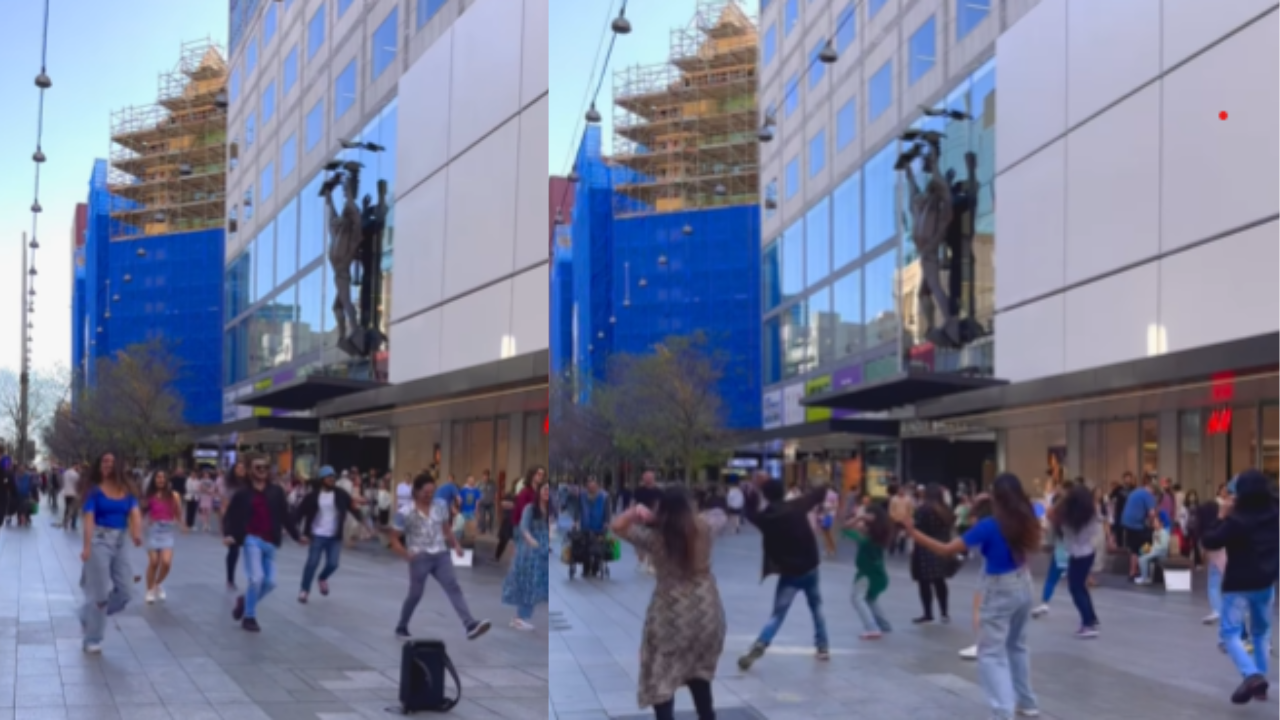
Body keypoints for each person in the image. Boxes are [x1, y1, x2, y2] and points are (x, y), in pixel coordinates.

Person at [905, 474, 1041, 719]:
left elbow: (947, 549)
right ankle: (1028, 702)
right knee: (1017, 646)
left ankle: (1003, 710)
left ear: (996, 497)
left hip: (1000, 588)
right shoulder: (1026, 517)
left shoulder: (989, 525)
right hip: (1023, 583)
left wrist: (913, 533)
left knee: (990, 653)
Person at [613, 485, 727, 720]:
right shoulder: (704, 528)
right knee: (699, 673)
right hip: (706, 610)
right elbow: (721, 514)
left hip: (670, 614)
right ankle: (707, 716)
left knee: (660, 678)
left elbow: (618, 526)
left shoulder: (656, 538)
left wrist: (638, 512)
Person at [1202, 469, 1278, 705]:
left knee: (1229, 634)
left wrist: (1221, 515)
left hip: (1238, 585)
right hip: (1265, 583)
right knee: (1261, 633)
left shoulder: (1237, 519)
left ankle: (1252, 675)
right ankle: (1260, 685)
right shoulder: (1275, 514)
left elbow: (1210, 540)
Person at [738, 480, 831, 669]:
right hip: (810, 567)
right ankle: (823, 647)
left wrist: (750, 498)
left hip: (789, 572)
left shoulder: (766, 517)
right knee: (816, 607)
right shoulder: (797, 505)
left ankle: (761, 643)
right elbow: (818, 494)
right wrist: (824, 482)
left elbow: (750, 514)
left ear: (766, 496)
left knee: (778, 614)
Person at [389, 473, 492, 641]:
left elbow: (445, 528)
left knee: (453, 587)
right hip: (419, 556)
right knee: (415, 594)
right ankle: (402, 625)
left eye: (432, 492)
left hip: (440, 555)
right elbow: (393, 537)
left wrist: (456, 545)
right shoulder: (405, 512)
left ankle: (470, 624)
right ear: (416, 491)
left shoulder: (440, 506)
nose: (429, 496)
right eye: (425, 492)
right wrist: (405, 554)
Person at [223, 456, 303, 633]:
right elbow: (230, 515)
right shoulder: (243, 493)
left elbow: (285, 516)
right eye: (258, 467)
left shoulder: (276, 492)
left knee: (271, 583)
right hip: (252, 540)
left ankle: (244, 601)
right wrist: (229, 535)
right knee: (256, 578)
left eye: (265, 467)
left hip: (271, 541)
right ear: (251, 470)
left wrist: (297, 536)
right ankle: (249, 617)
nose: (262, 471)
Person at [79, 452, 144, 653]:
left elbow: (135, 513)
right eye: (104, 461)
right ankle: (92, 638)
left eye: (111, 461)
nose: (107, 464)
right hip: (99, 539)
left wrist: (136, 533)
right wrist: (87, 546)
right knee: (99, 594)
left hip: (121, 540)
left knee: (126, 592)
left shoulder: (128, 491)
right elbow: (88, 518)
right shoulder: (94, 492)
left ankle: (89, 614)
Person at [296, 466, 362, 603]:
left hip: (334, 536)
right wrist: (291, 528)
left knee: (333, 564)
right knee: (312, 563)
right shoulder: (312, 496)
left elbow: (353, 508)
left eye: (333, 477)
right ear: (322, 480)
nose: (332, 479)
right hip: (316, 535)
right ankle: (304, 590)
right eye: (329, 477)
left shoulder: (340, 494)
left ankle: (322, 578)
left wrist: (366, 523)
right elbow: (299, 512)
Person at [1044, 483, 1101, 637]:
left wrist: (1060, 500)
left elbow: (1050, 515)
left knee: (1076, 589)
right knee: (1080, 587)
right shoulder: (1089, 514)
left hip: (1077, 554)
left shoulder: (1068, 516)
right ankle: (1091, 618)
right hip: (1088, 552)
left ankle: (1088, 624)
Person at [502, 481, 551, 630]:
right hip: (530, 551)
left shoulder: (549, 510)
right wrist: (531, 541)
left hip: (543, 550)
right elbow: (523, 527)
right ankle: (520, 617)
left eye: (549, 490)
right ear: (539, 491)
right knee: (529, 583)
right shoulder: (530, 508)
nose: (546, 492)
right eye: (544, 489)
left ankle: (521, 616)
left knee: (539, 585)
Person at [843, 503, 893, 639]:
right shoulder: (880, 534)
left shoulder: (866, 538)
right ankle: (883, 625)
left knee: (857, 598)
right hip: (878, 575)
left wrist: (859, 518)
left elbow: (845, 528)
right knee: (870, 599)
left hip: (866, 574)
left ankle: (872, 627)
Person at [142, 470, 185, 604]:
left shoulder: (174, 495)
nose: (160, 480)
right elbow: (142, 512)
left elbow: (178, 513)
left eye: (163, 477)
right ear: (154, 480)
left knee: (166, 562)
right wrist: (139, 527)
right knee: (154, 562)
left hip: (167, 530)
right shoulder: (149, 496)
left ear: (167, 480)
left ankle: (156, 584)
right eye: (158, 477)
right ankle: (149, 591)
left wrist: (182, 525)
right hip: (153, 529)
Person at [1119, 474, 1157, 579]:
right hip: (1136, 525)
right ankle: (1142, 568)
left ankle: (1132, 571)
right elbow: (1152, 514)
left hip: (1126, 523)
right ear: (1152, 489)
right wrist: (1153, 524)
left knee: (1133, 548)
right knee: (1148, 543)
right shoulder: (1148, 495)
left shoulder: (1135, 491)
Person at [575, 476, 611, 578]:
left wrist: (607, 522)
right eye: (589, 486)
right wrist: (576, 520)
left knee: (597, 548)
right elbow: (578, 509)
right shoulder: (582, 495)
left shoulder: (604, 496)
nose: (591, 488)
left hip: (599, 526)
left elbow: (607, 511)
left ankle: (595, 567)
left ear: (597, 486)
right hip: (586, 525)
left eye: (593, 486)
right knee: (585, 547)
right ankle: (586, 568)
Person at [220, 462, 249, 589]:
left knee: (252, 549)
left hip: (248, 519)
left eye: (243, 467)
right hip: (233, 519)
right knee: (234, 550)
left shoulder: (249, 484)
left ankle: (253, 577)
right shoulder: (229, 484)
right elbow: (225, 503)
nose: (241, 469)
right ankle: (230, 579)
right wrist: (225, 526)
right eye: (238, 468)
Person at [632, 471, 662, 574]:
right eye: (645, 478)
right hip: (640, 519)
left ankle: (651, 563)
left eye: (649, 478)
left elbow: (660, 505)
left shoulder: (658, 491)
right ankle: (641, 559)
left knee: (653, 542)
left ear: (653, 479)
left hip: (653, 520)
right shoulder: (639, 490)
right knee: (639, 542)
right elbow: (634, 503)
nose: (647, 480)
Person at [1133, 511, 1171, 585]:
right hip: (1155, 551)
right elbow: (1153, 544)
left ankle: (1144, 578)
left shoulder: (1164, 532)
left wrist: (1152, 549)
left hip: (1161, 552)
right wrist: (1145, 549)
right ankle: (1146, 576)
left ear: (1161, 524)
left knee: (1142, 559)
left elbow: (1164, 546)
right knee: (1141, 552)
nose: (1154, 523)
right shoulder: (1154, 532)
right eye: (1154, 522)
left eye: (1156, 522)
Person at [60, 463, 82, 530]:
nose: (79, 468)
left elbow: (62, 482)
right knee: (75, 509)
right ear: (75, 466)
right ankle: (73, 524)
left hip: (66, 493)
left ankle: (65, 522)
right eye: (78, 466)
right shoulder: (76, 474)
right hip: (74, 494)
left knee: (67, 507)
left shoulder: (65, 473)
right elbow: (78, 484)